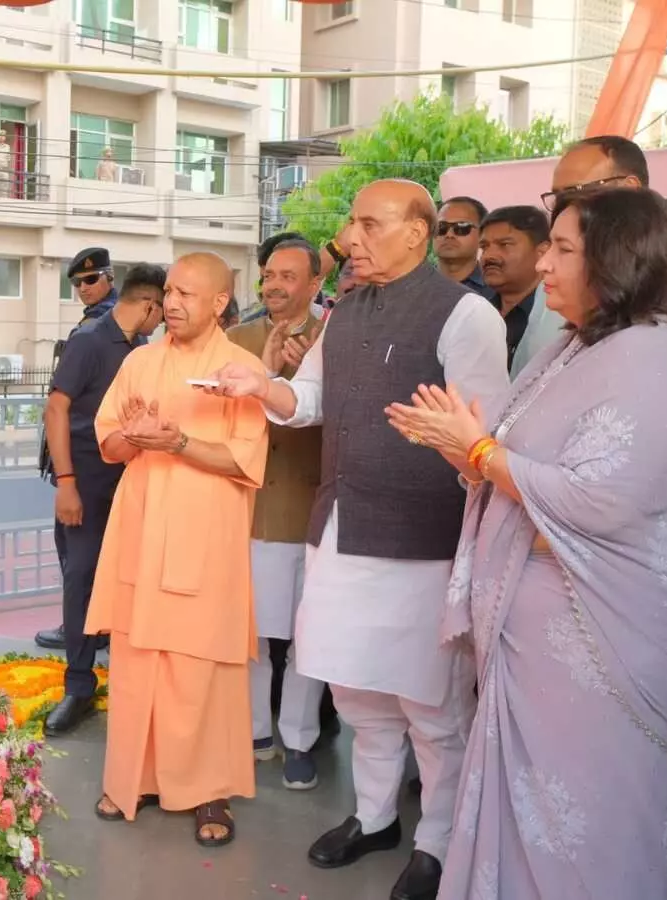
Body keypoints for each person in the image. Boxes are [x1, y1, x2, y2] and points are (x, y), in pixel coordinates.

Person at [387, 187, 667, 900]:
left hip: (604, 639)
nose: (543, 264)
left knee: (590, 824)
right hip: (540, 633)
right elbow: (515, 463)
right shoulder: (572, 347)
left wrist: (479, 452)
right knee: (527, 811)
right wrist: (459, 445)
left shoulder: (653, 356)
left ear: (619, 259)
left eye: (563, 249)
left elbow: (599, 501)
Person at [210, 178, 510, 900]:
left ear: (417, 233)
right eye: (352, 223)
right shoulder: (343, 311)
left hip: (422, 539)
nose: (350, 238)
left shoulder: (466, 315)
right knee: (354, 689)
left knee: (430, 703)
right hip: (340, 528)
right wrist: (261, 385)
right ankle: (373, 816)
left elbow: (484, 436)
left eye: (370, 224)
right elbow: (311, 398)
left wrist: (449, 450)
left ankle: (438, 841)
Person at [86, 252, 269, 848]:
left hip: (206, 537)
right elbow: (110, 443)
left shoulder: (242, 370)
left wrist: (179, 441)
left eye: (187, 293)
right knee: (137, 659)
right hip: (141, 531)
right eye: (169, 291)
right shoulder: (140, 361)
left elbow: (244, 461)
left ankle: (208, 790)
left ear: (219, 302)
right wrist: (134, 436)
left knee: (200, 667)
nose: (172, 302)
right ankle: (134, 778)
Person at [43, 265, 165, 736]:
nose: (164, 318)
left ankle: (125, 677)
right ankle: (78, 686)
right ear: (149, 304)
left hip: (130, 480)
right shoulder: (90, 341)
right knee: (81, 579)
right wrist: (66, 483)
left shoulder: (142, 348)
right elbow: (56, 409)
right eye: (163, 308)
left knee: (127, 580)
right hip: (87, 483)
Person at [226, 239, 326, 790]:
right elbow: (220, 422)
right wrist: (265, 375)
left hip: (313, 508)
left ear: (315, 284)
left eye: (289, 276)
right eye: (268, 275)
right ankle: (255, 732)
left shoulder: (335, 339)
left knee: (310, 636)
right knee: (252, 634)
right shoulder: (236, 342)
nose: (274, 285)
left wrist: (296, 381)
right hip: (252, 507)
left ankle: (301, 739)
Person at [514, 135, 667, 385]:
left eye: (576, 192)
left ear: (630, 188)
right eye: (558, 196)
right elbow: (527, 364)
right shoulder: (555, 269)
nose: (564, 207)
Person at [37, 247, 120, 651]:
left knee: (77, 556)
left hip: (85, 456)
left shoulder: (101, 328)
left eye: (90, 279)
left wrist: (66, 473)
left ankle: (83, 633)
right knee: (92, 553)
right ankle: (94, 627)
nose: (83, 288)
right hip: (94, 456)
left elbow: (68, 404)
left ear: (109, 278)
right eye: (76, 283)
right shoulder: (103, 324)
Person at [477, 205, 550, 367]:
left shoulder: (558, 317)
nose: (488, 256)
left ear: (543, 252)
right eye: (484, 247)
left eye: (504, 245)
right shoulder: (476, 310)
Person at [434, 196, 494, 300]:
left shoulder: (499, 290)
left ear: (483, 235)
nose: (449, 235)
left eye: (462, 227)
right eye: (441, 227)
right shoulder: (413, 284)